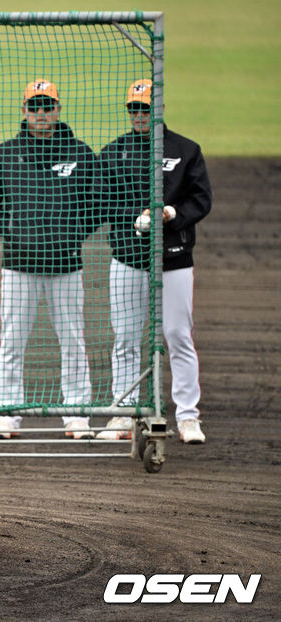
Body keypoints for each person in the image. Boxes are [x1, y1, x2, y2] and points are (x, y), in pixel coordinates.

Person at [0, 79, 103, 440]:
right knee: (12, 341)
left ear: (58, 110)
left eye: (48, 106)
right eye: (35, 107)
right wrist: (11, 230)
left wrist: (74, 233)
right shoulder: (5, 154)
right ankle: (7, 414)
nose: (42, 113)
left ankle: (76, 415)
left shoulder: (79, 153)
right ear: (24, 111)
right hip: (18, 265)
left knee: (73, 341)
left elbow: (98, 203)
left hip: (66, 265)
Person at [96, 79, 211, 444]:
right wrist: (136, 218)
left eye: (145, 109)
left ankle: (188, 417)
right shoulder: (113, 152)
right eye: (134, 109)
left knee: (177, 335)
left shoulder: (186, 150)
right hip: (129, 259)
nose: (139, 115)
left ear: (159, 109)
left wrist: (171, 213)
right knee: (126, 338)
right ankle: (124, 414)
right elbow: (103, 200)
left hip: (175, 259)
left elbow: (201, 200)